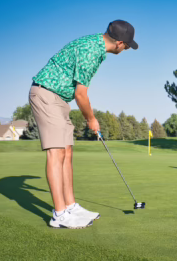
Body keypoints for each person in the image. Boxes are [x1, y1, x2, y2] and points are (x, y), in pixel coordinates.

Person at [29, 20, 138, 229]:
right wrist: (91, 119)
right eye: (127, 45)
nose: (126, 49)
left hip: (59, 98)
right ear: (120, 43)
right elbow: (81, 95)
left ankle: (70, 206)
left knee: (67, 152)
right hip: (46, 94)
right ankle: (59, 214)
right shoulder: (91, 53)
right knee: (56, 152)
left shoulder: (95, 45)